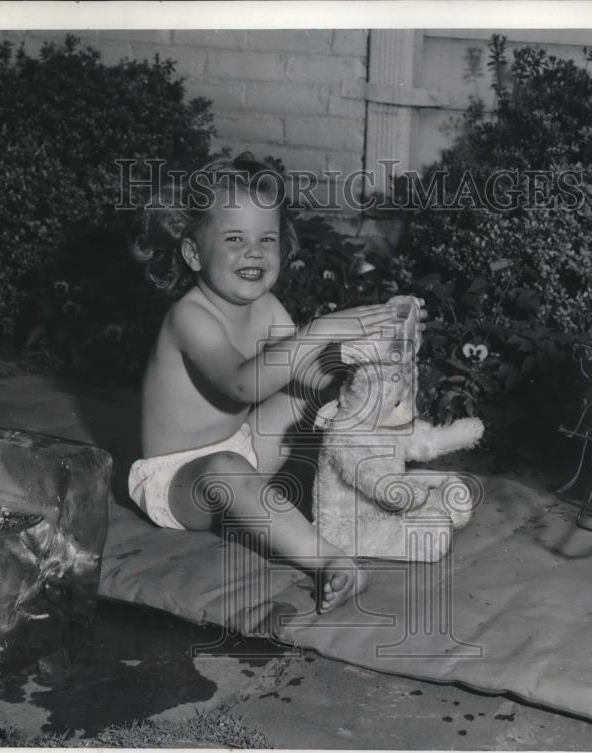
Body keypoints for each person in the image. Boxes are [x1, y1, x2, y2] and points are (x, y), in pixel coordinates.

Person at [129, 153, 401, 613]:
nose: (254, 251)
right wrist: (322, 331)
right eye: (234, 238)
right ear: (194, 252)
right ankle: (329, 560)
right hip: (181, 479)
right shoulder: (190, 318)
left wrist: (362, 363)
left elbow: (301, 372)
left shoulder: (269, 307)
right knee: (226, 469)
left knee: (316, 394)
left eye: (266, 239)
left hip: (244, 446)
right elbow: (242, 386)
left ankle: (365, 492)